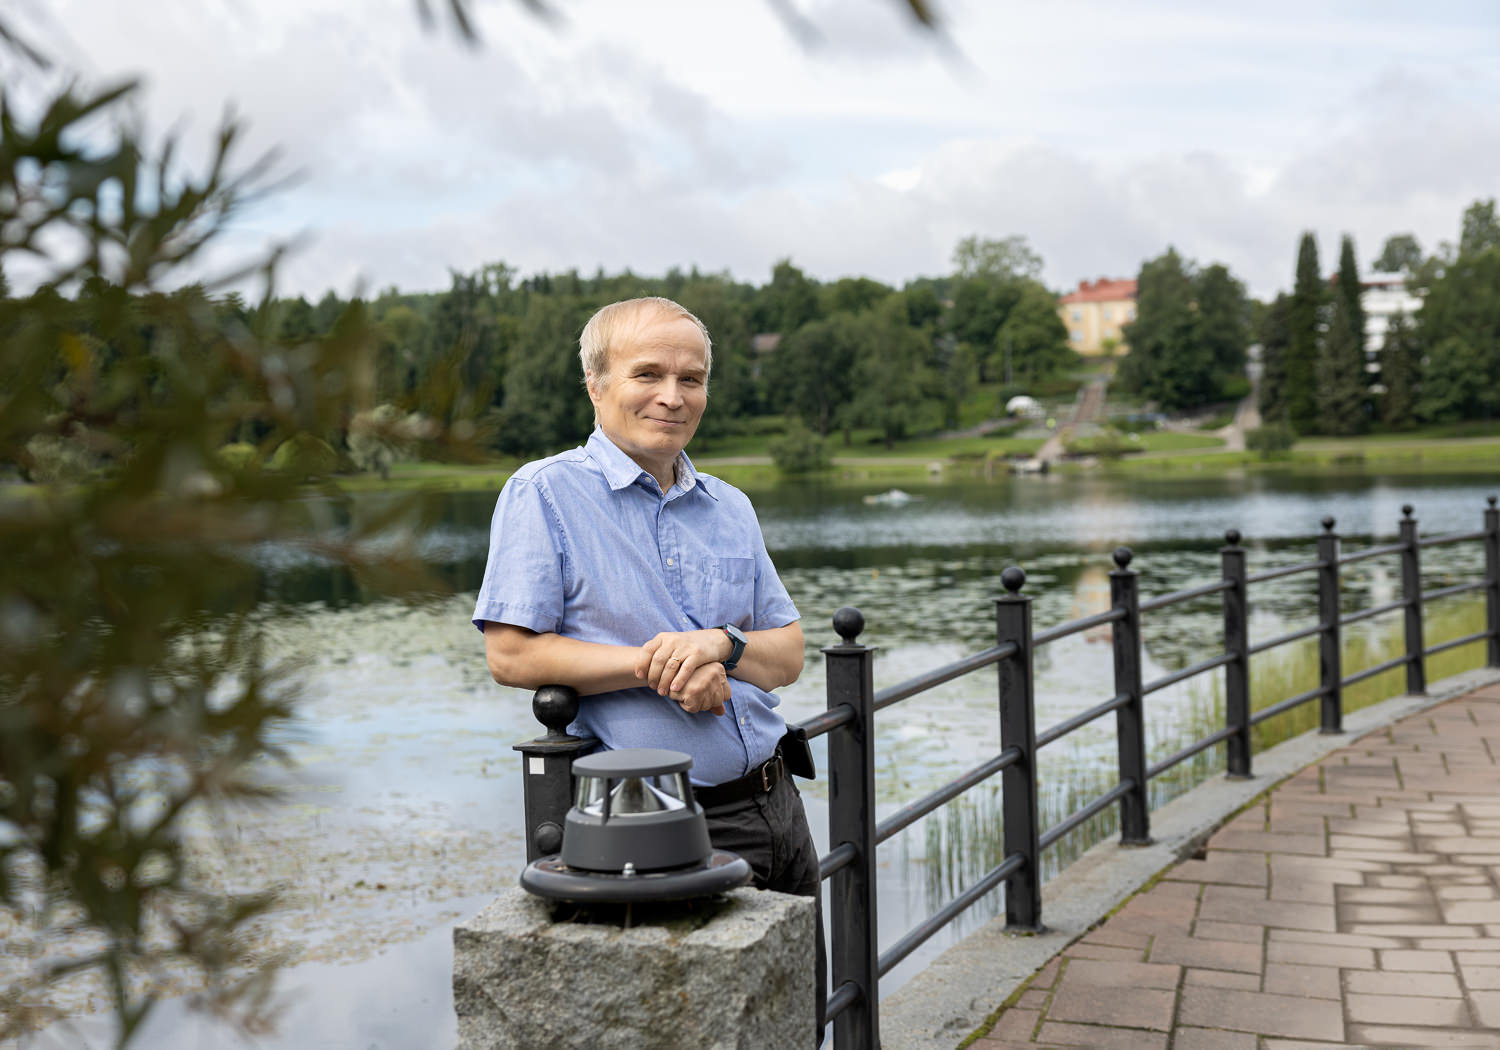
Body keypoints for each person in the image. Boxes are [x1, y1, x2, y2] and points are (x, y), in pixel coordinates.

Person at [472, 296, 825, 1034]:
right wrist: (657, 662)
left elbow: (786, 652)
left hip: (778, 804)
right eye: (649, 374)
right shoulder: (544, 494)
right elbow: (510, 653)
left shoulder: (731, 506)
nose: (673, 396)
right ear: (597, 384)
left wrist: (721, 646)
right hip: (658, 826)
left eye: (691, 378)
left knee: (799, 1023)